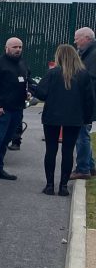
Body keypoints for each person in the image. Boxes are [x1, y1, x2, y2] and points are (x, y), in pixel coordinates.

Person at [35, 44, 95, 196]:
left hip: (52, 117)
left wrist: (32, 87)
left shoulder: (53, 73)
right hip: (74, 118)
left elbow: (41, 94)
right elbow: (89, 100)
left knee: (51, 150)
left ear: (59, 57)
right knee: (68, 151)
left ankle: (49, 185)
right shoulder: (83, 74)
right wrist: (87, 118)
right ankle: (63, 186)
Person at [0, 37, 30, 183]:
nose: (18, 50)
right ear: (7, 48)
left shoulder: (22, 64)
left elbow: (27, 80)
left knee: (6, 139)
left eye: (20, 47)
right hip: (1, 109)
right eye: (15, 47)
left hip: (17, 109)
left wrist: (28, 92)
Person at [70, 27, 96, 180]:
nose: (75, 42)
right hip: (87, 101)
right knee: (83, 134)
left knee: (81, 136)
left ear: (86, 38)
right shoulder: (87, 54)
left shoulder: (92, 56)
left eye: (77, 38)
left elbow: (89, 80)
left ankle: (83, 169)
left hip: (85, 102)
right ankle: (90, 166)